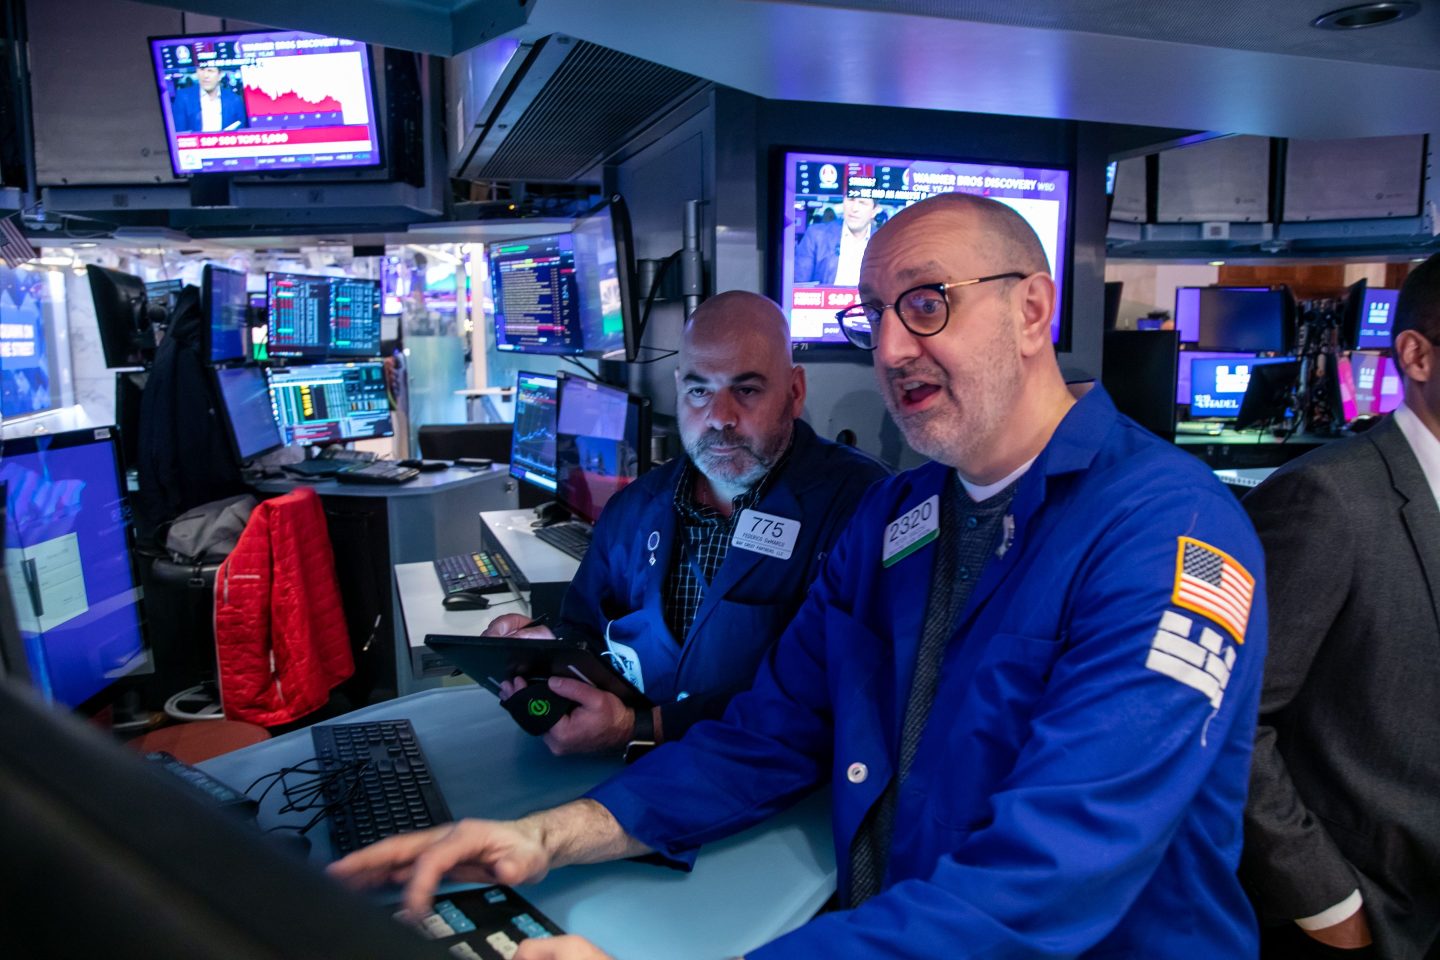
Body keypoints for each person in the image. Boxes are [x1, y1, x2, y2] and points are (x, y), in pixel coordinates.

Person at [332, 194, 1267, 957]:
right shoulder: (899, 518)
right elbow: (767, 734)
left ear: (1031, 311)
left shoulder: (1165, 532)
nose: (890, 350)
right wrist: (545, 838)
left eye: (927, 303)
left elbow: (1049, 878)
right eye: (874, 315)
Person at [485, 290, 888, 755]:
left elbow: (840, 690)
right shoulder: (634, 508)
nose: (719, 418)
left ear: (795, 392)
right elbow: (586, 631)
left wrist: (641, 727)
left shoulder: (863, 506)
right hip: (640, 777)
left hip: (778, 784)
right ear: (679, 387)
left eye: (746, 390)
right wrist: (544, 651)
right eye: (699, 391)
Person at [1240, 253, 1440, 959]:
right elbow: (1234, 716)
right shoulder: (1327, 499)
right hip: (1375, 917)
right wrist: (1326, 902)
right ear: (1416, 356)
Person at [793, 194, 880, 286]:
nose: (854, 208)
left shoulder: (884, 241)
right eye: (851, 200)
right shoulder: (816, 234)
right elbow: (799, 284)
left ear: (874, 211)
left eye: (862, 203)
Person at [171, 65, 248, 133]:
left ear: (220, 75)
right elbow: (179, 131)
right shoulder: (184, 97)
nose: (205, 75)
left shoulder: (234, 99)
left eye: (210, 71)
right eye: (202, 70)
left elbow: (241, 130)